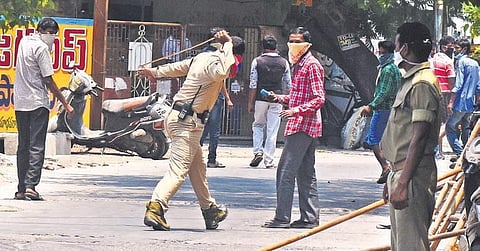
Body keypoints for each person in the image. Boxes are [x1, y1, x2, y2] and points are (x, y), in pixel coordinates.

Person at [137, 30, 243, 231]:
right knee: (178, 171)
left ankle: (209, 210)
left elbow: (177, 67)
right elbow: (221, 72)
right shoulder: (216, 61)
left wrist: (155, 72)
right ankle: (156, 206)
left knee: (198, 168)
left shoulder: (201, 57)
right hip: (187, 122)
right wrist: (228, 43)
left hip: (183, 119)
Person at [381, 22, 441, 250]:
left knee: (411, 246)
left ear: (404, 48)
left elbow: (419, 138)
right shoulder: (411, 80)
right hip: (402, 171)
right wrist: (393, 177)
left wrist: (403, 181)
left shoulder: (422, 83)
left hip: (413, 174)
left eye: (396, 44)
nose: (395, 50)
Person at [262, 27, 325, 229]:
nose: (293, 45)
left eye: (298, 41)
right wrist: (280, 98)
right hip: (302, 124)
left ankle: (282, 218)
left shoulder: (312, 65)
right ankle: (309, 217)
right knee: (306, 173)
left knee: (285, 172)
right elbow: (299, 96)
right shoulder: (299, 64)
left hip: (302, 125)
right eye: (291, 41)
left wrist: (295, 111)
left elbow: (318, 99)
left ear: (307, 44)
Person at [13, 17, 74, 201]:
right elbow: (48, 79)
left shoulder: (24, 42)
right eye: (53, 35)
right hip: (37, 102)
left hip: (21, 102)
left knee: (23, 145)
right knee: (36, 145)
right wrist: (65, 103)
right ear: (48, 33)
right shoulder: (41, 49)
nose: (53, 39)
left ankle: (21, 188)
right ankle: (31, 186)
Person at [199, 28, 241, 168]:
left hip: (202, 95)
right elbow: (220, 80)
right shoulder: (218, 55)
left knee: (201, 127)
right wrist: (228, 98)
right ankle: (211, 159)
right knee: (214, 129)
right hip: (215, 95)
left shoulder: (202, 53)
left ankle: (194, 157)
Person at [248, 35, 291, 169]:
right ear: (276, 46)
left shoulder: (257, 61)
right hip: (277, 98)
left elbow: (253, 84)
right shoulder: (284, 62)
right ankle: (269, 160)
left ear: (263, 46)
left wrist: (250, 102)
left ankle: (258, 151)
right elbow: (289, 84)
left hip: (261, 99)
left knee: (258, 125)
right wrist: (286, 100)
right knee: (273, 129)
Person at [361, 40, 401, 184]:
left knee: (373, 139)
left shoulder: (388, 70)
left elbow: (384, 92)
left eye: (382, 52)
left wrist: (371, 106)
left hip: (383, 108)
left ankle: (385, 167)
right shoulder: (393, 69)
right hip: (391, 108)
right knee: (385, 140)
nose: (380, 55)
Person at [446, 38, 480, 156]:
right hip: (471, 103)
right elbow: (478, 87)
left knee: (450, 127)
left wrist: (451, 102)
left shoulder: (461, 62)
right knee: (466, 128)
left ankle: (460, 153)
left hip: (460, 102)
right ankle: (468, 153)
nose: (455, 51)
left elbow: (458, 84)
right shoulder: (475, 64)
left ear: (464, 49)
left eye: (457, 48)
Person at [431, 36, 456, 160]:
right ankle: (434, 145)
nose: (452, 49)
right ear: (444, 47)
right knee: (445, 124)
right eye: (451, 46)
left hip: (434, 91)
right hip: (445, 93)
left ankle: (438, 151)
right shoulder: (448, 61)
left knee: (437, 122)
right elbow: (451, 81)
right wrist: (452, 97)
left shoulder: (433, 58)